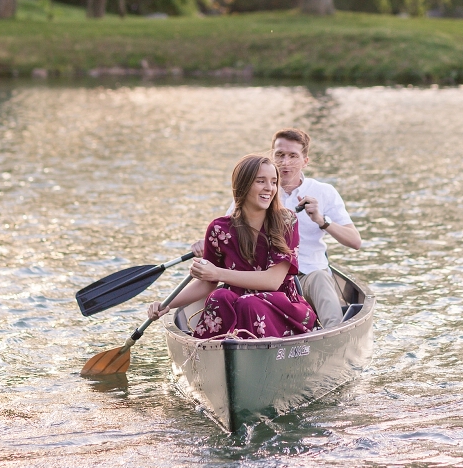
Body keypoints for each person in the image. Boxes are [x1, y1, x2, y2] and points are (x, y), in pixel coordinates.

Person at [193, 128, 361, 329]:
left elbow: (355, 241)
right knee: (230, 298)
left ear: (305, 161)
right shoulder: (258, 191)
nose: (285, 162)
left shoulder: (324, 192)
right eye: (280, 155)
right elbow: (231, 231)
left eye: (293, 156)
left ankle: (333, 335)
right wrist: (208, 244)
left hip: (309, 274)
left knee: (321, 280)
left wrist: (321, 220)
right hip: (266, 277)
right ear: (272, 156)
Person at [147, 153, 315, 339]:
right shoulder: (219, 229)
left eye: (274, 182)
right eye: (261, 181)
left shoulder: (286, 220)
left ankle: (250, 351)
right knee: (219, 297)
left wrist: (218, 273)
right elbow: (206, 284)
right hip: (237, 302)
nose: (269, 188)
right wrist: (166, 305)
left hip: (281, 306)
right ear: (243, 184)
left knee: (249, 304)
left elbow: (273, 281)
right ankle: (212, 351)